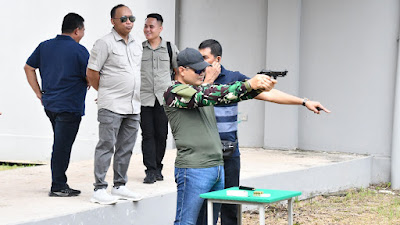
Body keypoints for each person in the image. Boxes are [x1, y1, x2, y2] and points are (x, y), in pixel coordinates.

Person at [198, 39, 330, 224]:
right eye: (200, 58)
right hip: (203, 153)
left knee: (230, 204)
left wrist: (303, 101)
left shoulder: (234, 78)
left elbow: (268, 94)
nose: (202, 63)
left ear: (217, 59)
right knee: (204, 206)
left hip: (229, 152)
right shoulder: (197, 80)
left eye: (205, 58)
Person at [163, 48, 276, 225]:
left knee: (210, 221)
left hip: (216, 166)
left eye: (204, 69)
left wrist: (257, 88)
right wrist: (248, 85)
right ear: (182, 70)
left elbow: (227, 96)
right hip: (194, 168)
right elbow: (205, 95)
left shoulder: (202, 90)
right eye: (198, 70)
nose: (203, 73)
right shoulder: (174, 92)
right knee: (186, 222)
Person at [24, 13, 89, 197]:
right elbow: (90, 74)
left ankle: (59, 182)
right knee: (62, 146)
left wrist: (38, 92)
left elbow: (28, 67)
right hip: (69, 106)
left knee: (60, 143)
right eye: (83, 30)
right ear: (77, 30)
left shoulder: (45, 46)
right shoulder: (79, 50)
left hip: (50, 105)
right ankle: (58, 185)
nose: (83, 34)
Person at [87, 4, 143, 205]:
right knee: (106, 145)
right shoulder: (104, 43)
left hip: (133, 105)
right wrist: (104, 93)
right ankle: (99, 188)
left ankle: (119, 185)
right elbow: (92, 73)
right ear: (113, 21)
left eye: (132, 18)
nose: (129, 22)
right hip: (111, 105)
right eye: (124, 19)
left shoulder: (137, 44)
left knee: (126, 147)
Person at [140, 13, 179, 184]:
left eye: (151, 26)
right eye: (146, 26)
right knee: (147, 134)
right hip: (144, 98)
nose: (148, 30)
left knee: (161, 134)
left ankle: (158, 167)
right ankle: (150, 170)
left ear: (160, 28)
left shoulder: (170, 48)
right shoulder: (138, 48)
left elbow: (178, 71)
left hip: (164, 98)